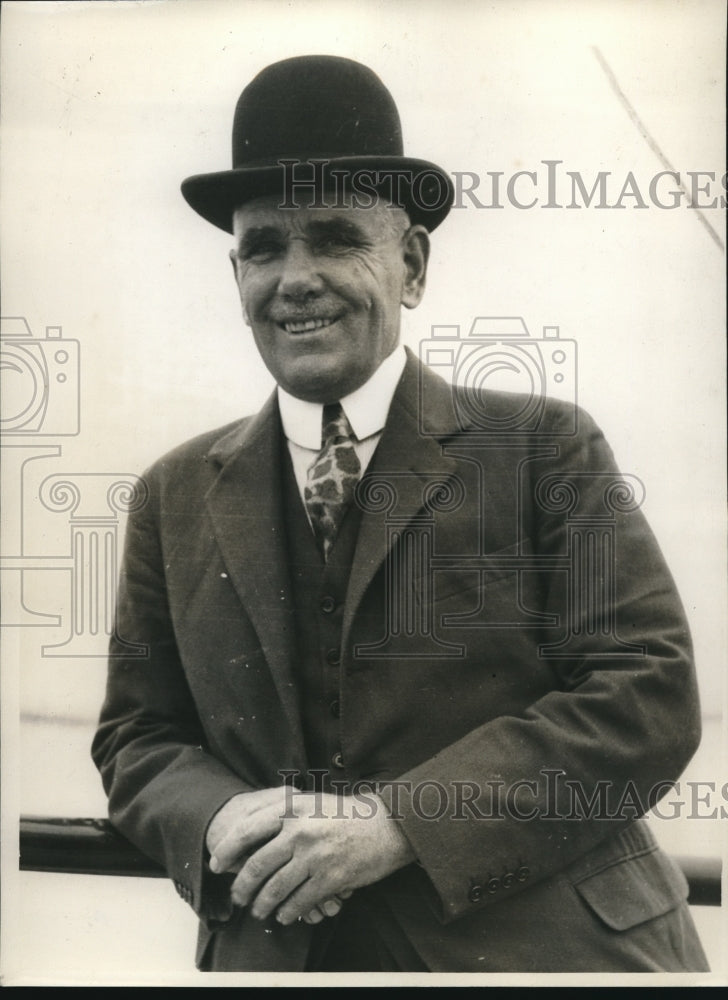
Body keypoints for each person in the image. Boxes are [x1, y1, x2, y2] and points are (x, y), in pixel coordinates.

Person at [92, 55, 709, 973]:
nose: (295, 278)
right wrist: (218, 817)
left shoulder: (545, 446)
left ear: (411, 266)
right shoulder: (169, 494)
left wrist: (400, 825)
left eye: (335, 238)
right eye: (264, 248)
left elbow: (646, 694)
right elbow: (136, 738)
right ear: (236, 274)